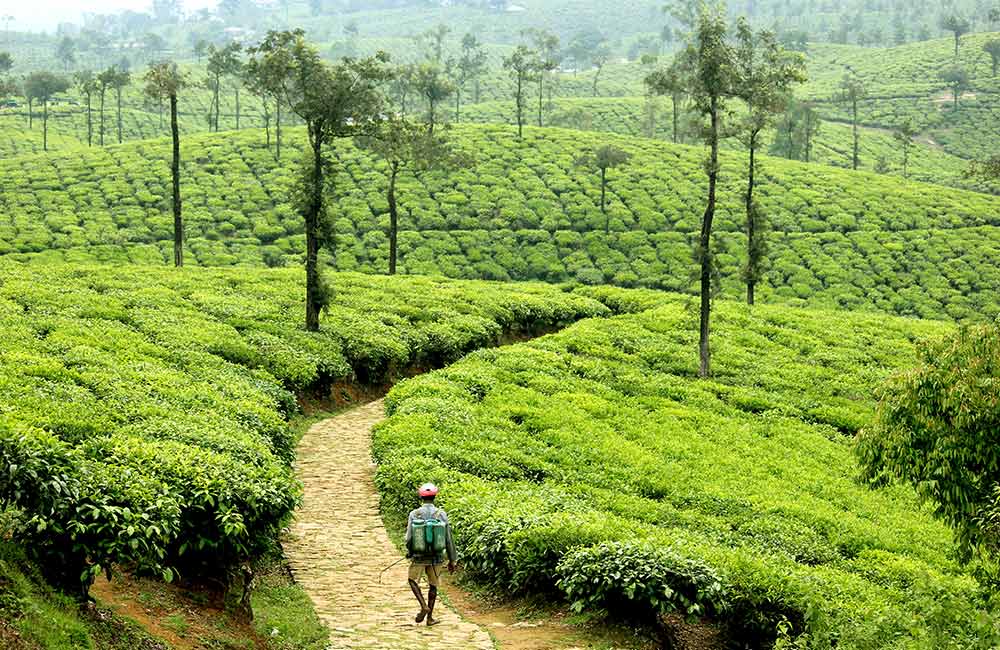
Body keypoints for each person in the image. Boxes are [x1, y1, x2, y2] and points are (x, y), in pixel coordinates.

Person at [404, 482, 456, 627]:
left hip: (419, 557)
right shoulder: (441, 514)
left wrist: (410, 552)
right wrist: (452, 560)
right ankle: (430, 617)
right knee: (433, 585)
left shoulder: (414, 514)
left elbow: (408, 538)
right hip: (436, 557)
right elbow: (448, 538)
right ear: (435, 496)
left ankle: (423, 606)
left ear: (421, 496)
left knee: (412, 580)